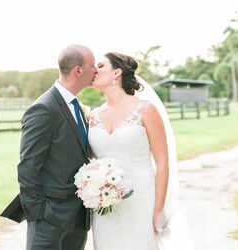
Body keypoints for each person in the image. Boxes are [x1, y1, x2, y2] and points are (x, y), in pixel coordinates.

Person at [87, 52, 170, 249]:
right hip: (105, 205)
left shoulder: (145, 110)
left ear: (117, 72)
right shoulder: (93, 116)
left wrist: (158, 209)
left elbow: (162, 161)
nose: (94, 70)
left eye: (100, 66)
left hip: (142, 200)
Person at [17, 44, 97, 250]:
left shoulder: (77, 106)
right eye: (93, 65)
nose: (96, 70)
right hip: (49, 220)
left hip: (78, 217)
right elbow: (28, 167)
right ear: (78, 71)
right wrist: (40, 215)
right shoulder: (44, 108)